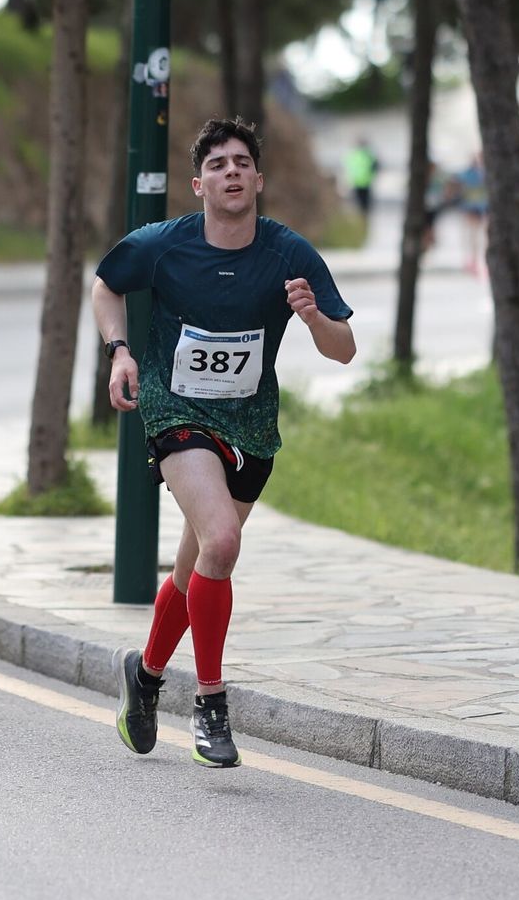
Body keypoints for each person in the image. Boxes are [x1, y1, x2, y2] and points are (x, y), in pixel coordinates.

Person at [94, 116, 356, 768]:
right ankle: (209, 703)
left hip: (250, 424)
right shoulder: (164, 244)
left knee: (195, 568)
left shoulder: (289, 252)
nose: (231, 171)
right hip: (174, 405)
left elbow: (344, 349)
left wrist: (314, 316)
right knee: (223, 541)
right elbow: (106, 284)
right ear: (198, 183)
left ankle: (147, 675)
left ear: (259, 179)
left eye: (242, 162)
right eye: (218, 164)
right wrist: (120, 352)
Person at [458, 154, 489, 276]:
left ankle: (476, 261)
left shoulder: (482, 173)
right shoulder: (471, 174)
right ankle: (472, 261)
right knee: (473, 236)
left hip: (479, 209)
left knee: (478, 237)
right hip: (472, 209)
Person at [343, 139, 378, 220]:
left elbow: (348, 167)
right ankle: (363, 218)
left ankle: (361, 218)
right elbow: (375, 166)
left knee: (359, 203)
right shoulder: (368, 155)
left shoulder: (353, 155)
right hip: (365, 182)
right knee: (364, 204)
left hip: (358, 182)